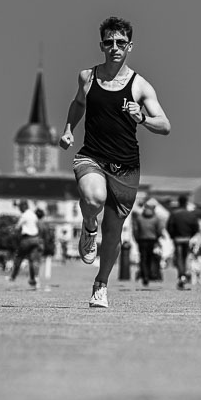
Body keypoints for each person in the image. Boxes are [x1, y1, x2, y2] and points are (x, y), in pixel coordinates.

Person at [58, 16, 171, 308]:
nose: (114, 47)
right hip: (91, 156)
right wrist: (69, 129)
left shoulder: (140, 86)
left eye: (121, 43)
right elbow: (78, 104)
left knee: (114, 232)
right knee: (93, 198)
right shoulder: (87, 77)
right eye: (109, 42)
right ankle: (88, 225)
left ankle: (101, 284)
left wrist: (142, 118)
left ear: (130, 46)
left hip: (126, 167)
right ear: (101, 45)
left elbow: (165, 124)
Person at [166, 195, 200, 290]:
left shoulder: (174, 214)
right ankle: (184, 274)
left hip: (177, 239)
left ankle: (181, 275)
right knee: (185, 257)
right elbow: (196, 228)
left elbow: (169, 226)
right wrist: (190, 235)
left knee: (179, 258)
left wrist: (173, 236)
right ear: (186, 202)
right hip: (186, 238)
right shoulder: (190, 215)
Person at [132, 198, 164, 286]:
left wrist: (136, 239)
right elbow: (160, 230)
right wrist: (158, 238)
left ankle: (144, 276)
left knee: (143, 258)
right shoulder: (156, 218)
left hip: (141, 240)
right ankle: (149, 274)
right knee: (150, 258)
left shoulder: (139, 218)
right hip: (152, 240)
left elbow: (135, 230)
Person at [10, 201, 42, 287]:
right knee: (33, 260)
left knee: (19, 257)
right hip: (35, 239)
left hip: (26, 239)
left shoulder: (24, 215)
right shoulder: (33, 215)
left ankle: (13, 276)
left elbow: (17, 227)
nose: (19, 209)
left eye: (20, 208)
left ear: (23, 207)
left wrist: (13, 231)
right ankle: (34, 279)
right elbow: (38, 226)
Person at [35, 208, 55, 290]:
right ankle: (40, 280)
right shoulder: (45, 225)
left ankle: (36, 280)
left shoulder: (35, 223)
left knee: (36, 262)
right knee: (41, 263)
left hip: (35, 244)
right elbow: (48, 237)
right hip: (43, 245)